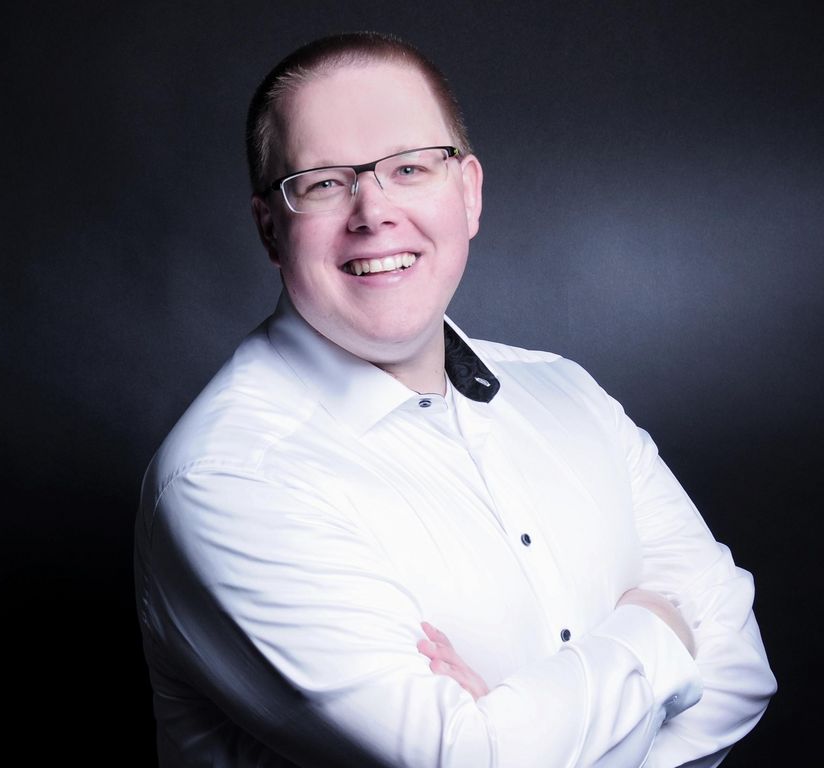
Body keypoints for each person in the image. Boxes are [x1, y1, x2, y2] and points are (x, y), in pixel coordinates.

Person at [134, 31, 776, 767]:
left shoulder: (567, 392)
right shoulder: (230, 480)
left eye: (410, 167)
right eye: (324, 183)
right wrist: (658, 629)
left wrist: (521, 727)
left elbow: (741, 670)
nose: (373, 212)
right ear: (270, 229)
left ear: (468, 193)